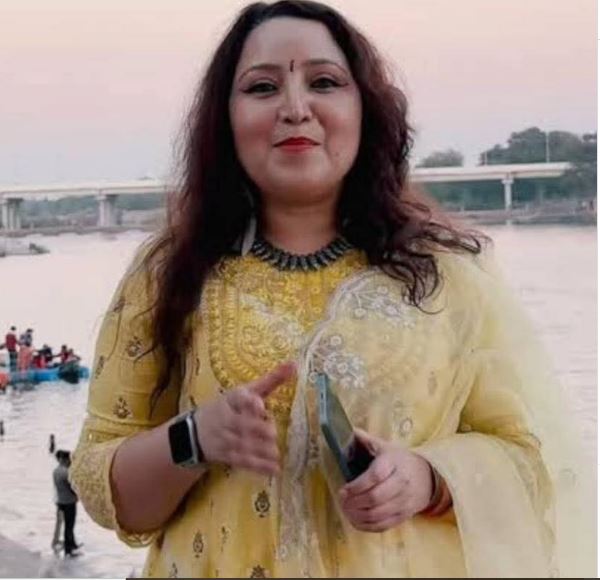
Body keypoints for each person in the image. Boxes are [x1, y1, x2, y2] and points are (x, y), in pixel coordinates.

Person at [70, 2, 591, 578]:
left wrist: (428, 479)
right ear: (225, 118)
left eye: (324, 82)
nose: (296, 109)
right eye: (262, 87)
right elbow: (100, 487)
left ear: (364, 107)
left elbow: (534, 465)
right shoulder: (169, 272)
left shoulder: (447, 273)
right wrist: (194, 437)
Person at [52, 450, 80, 557]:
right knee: (69, 525)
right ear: (65, 459)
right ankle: (69, 549)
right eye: (69, 459)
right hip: (69, 502)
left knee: (63, 524)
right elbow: (72, 487)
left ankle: (72, 544)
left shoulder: (56, 471)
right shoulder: (67, 472)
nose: (70, 461)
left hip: (60, 501)